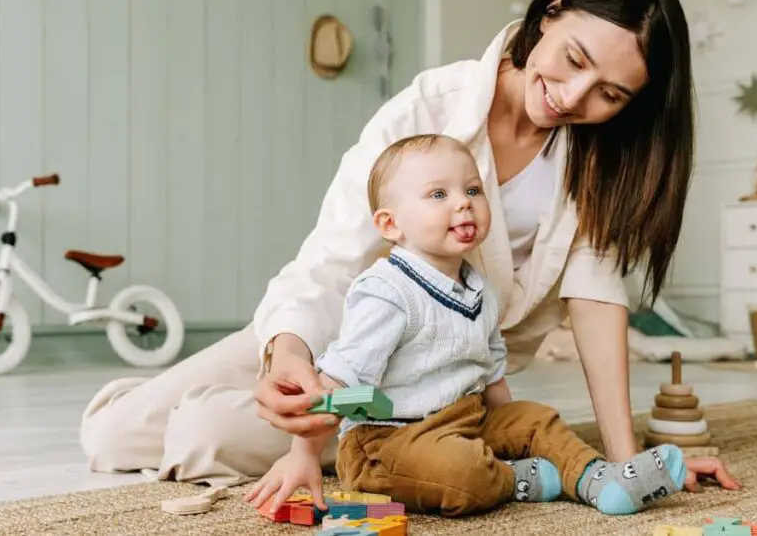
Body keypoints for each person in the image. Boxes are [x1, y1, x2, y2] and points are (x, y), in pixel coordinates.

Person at [79, 0, 740, 495]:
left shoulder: (602, 162)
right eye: (573, 60)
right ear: (552, 10)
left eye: (610, 94)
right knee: (110, 434)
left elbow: (597, 303)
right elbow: (330, 260)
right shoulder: (430, 107)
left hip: (435, 387)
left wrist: (627, 464)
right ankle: (204, 396)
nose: (573, 97)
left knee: (204, 436)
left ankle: (396, 435)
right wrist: (287, 352)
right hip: (341, 338)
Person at [244, 133, 690, 518]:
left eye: (473, 190)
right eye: (438, 195)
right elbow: (339, 381)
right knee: (462, 471)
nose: (463, 203)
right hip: (388, 443)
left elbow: (490, 369)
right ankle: (516, 479)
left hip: (465, 418)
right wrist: (302, 453)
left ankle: (601, 481)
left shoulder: (478, 286)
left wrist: (513, 432)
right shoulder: (386, 292)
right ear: (390, 224)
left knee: (538, 419)